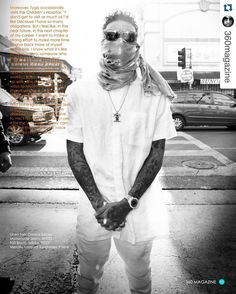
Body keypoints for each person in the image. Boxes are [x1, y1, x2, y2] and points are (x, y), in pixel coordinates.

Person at [66, 11, 177, 294]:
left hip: (139, 210)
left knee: (140, 277)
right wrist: (99, 204)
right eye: (112, 35)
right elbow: (75, 151)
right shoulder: (79, 91)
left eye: (129, 37)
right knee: (88, 278)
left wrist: (127, 203)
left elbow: (156, 153)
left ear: (138, 46)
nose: (120, 42)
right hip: (92, 209)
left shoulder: (155, 94)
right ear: (101, 41)